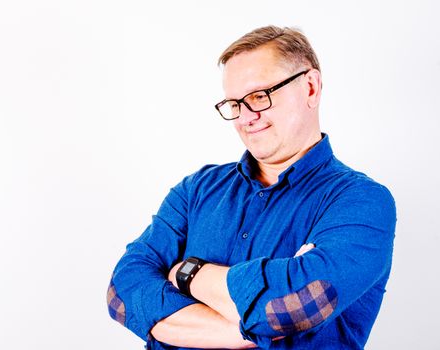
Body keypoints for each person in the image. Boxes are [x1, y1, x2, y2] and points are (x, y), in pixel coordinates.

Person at [106, 25, 396, 349]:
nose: (246, 117)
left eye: (259, 96)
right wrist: (246, 330)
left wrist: (189, 273)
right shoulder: (196, 190)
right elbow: (122, 293)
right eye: (234, 104)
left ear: (311, 88)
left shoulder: (362, 202)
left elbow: (296, 304)